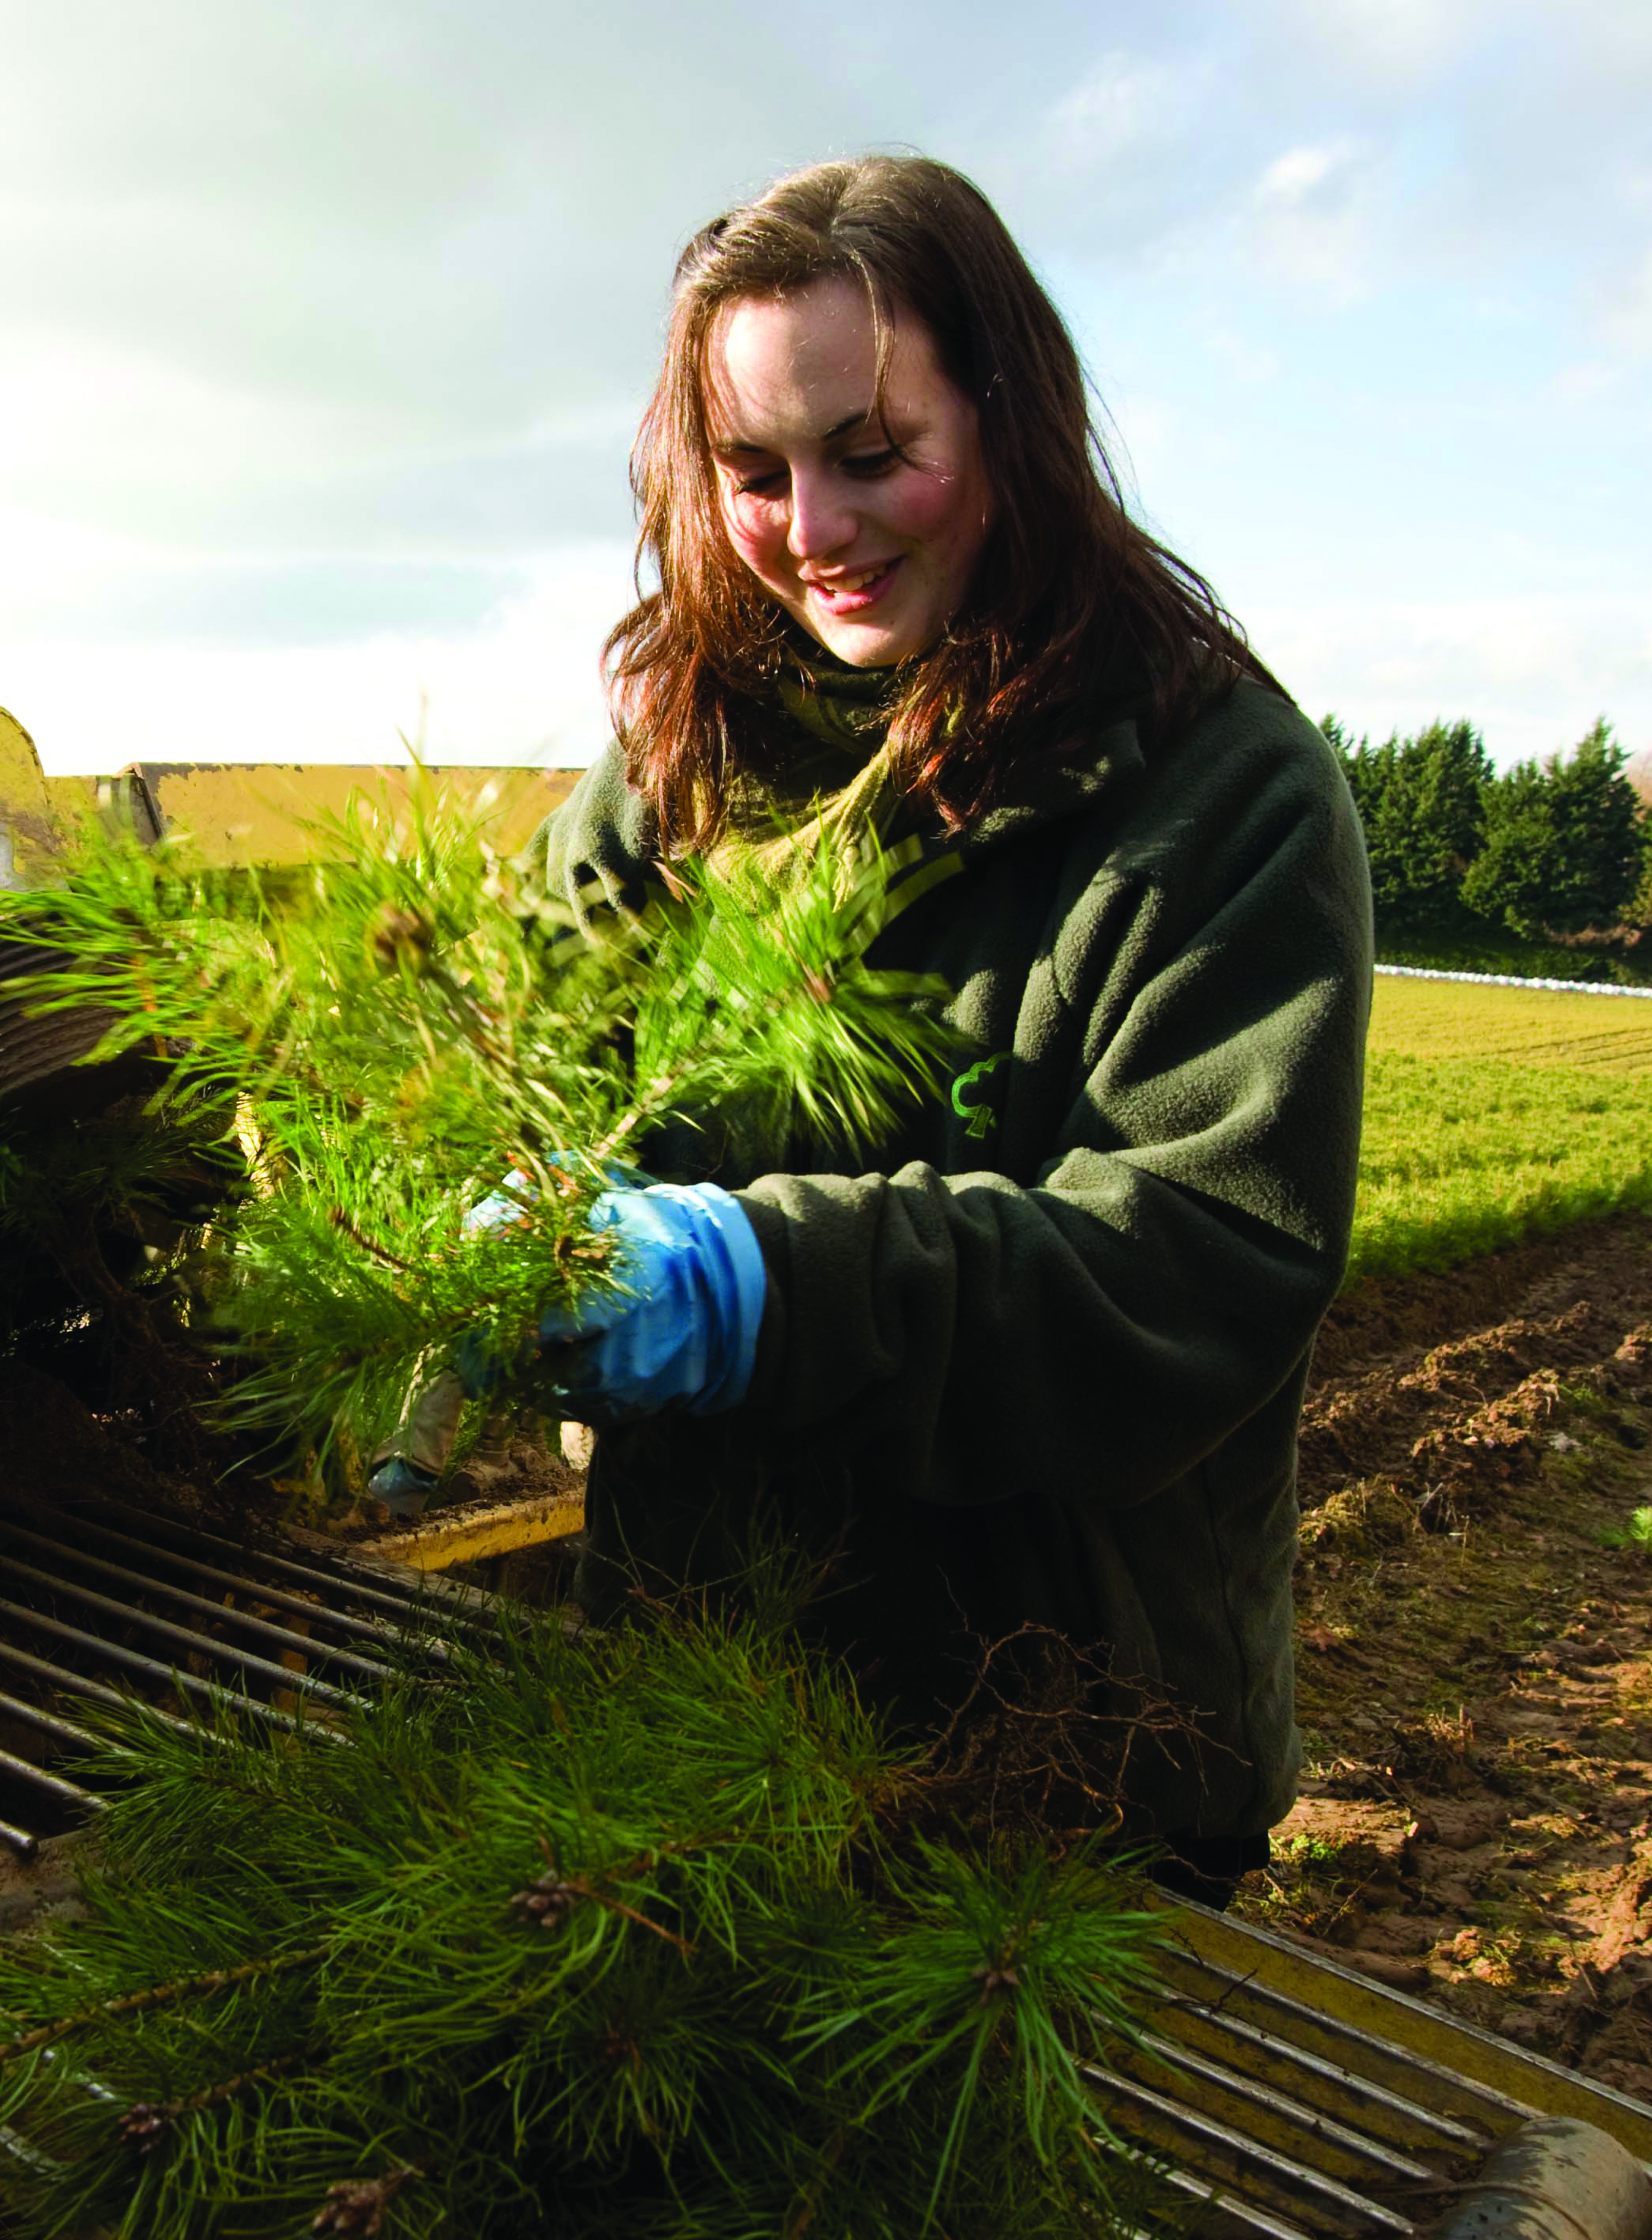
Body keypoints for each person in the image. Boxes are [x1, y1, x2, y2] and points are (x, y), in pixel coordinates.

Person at [522, 155, 1373, 1900]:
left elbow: (1197, 1265)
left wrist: (759, 1288)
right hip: (700, 1677)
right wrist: (484, 1208)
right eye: (752, 473)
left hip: (1057, 1746)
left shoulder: (1221, 792)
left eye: (869, 451)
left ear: (1004, 418)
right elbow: (532, 1036)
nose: (812, 532)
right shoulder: (685, 753)